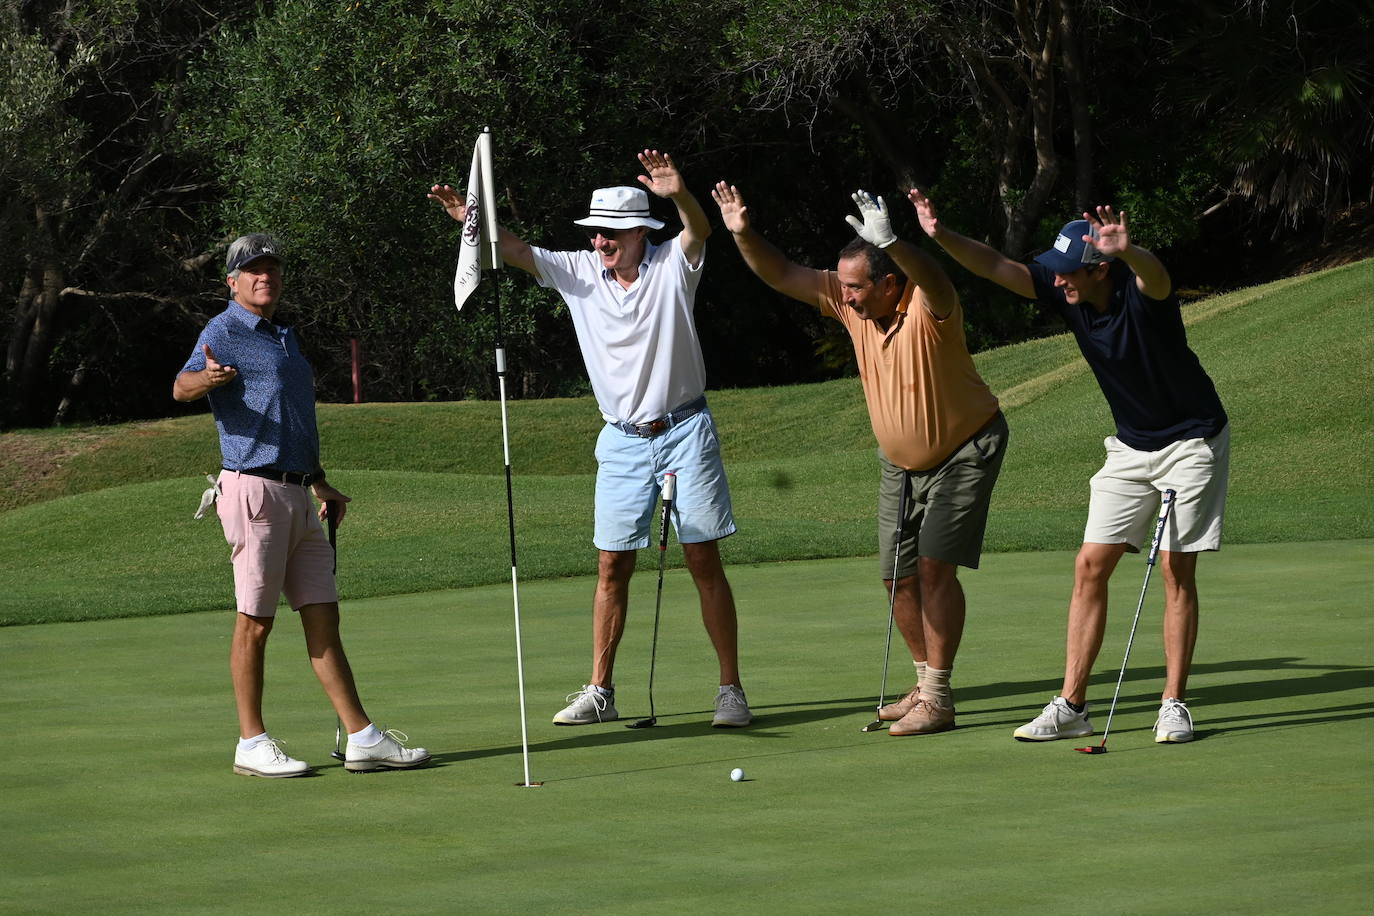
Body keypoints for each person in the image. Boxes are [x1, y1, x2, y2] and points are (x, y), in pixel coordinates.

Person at [428, 150, 751, 728]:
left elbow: (699, 230)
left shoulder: (673, 263)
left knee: (703, 559)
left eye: (612, 233)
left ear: (640, 233)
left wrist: (679, 194)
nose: (601, 241)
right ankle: (601, 691)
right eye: (597, 231)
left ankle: (730, 689)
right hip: (622, 441)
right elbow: (518, 251)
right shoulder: (579, 270)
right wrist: (472, 219)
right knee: (611, 565)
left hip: (684, 430)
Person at [910, 190, 1229, 744]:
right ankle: (1072, 703)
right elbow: (994, 265)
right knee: (1089, 566)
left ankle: (1173, 704)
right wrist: (941, 236)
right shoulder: (1068, 295)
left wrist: (1132, 251)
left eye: (1068, 274)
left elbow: (1157, 277)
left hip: (1191, 442)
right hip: (1130, 446)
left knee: (1177, 572)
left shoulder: (1140, 294)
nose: (1057, 281)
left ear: (1102, 268)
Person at [712, 183, 1008, 736]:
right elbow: (780, 272)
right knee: (896, 577)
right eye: (842, 287)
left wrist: (896, 241)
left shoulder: (926, 304)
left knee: (935, 568)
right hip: (899, 463)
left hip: (965, 449)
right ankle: (923, 684)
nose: (844, 298)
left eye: (856, 288)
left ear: (890, 283)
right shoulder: (853, 310)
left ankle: (938, 700)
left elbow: (938, 280)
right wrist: (743, 233)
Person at [173, 233, 431, 776]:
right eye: (253, 270)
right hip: (253, 491)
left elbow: (292, 420)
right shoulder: (223, 330)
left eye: (272, 269)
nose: (265, 276)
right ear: (233, 282)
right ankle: (250, 741)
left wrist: (320, 483)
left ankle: (362, 737)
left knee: (323, 617)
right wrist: (208, 378)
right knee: (255, 622)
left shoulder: (284, 337)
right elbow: (181, 386)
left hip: (296, 490)